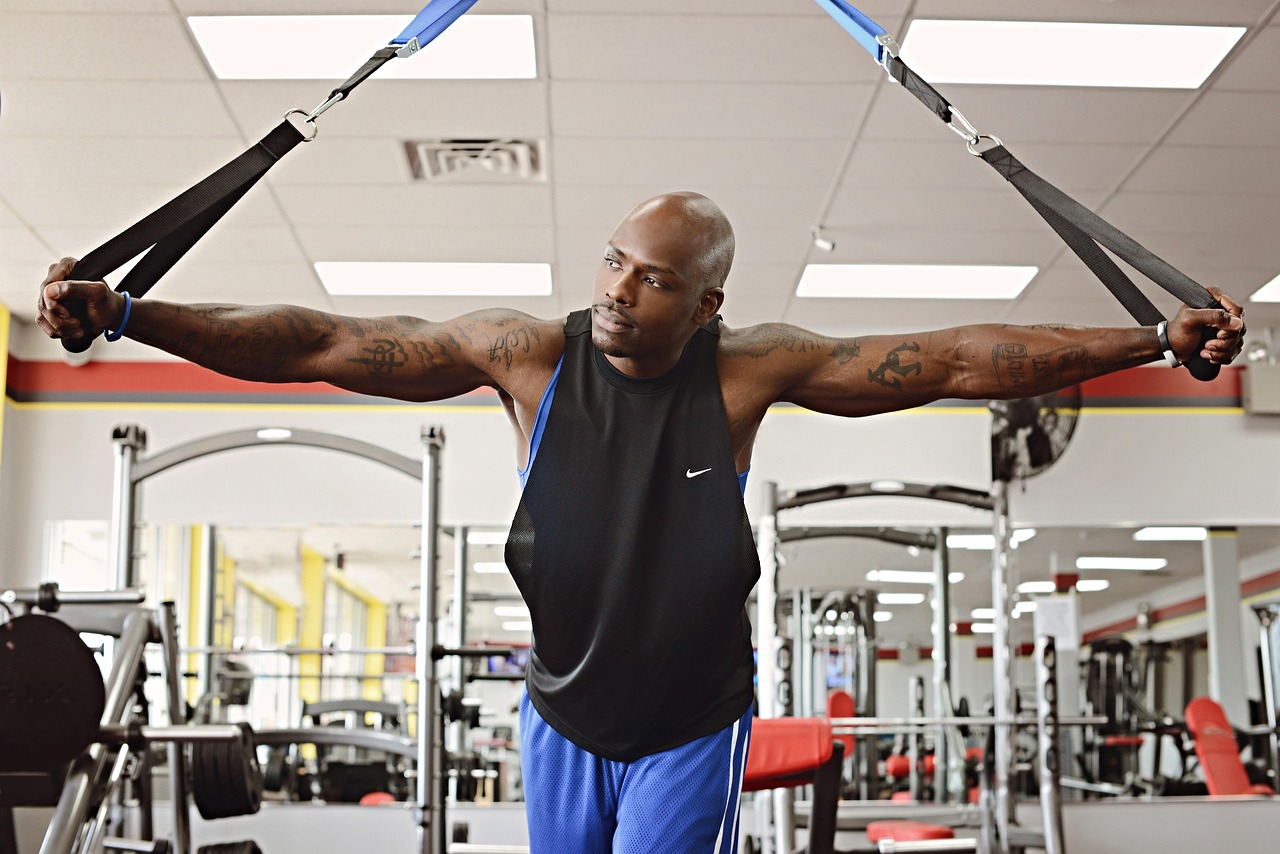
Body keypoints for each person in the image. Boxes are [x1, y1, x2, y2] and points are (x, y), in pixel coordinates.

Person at [37, 191, 1245, 852]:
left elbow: (952, 358)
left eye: (653, 276)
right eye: (613, 260)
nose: (618, 287)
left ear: (704, 299)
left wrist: (1144, 338)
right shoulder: (522, 357)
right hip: (559, 713)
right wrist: (136, 309)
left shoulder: (746, 369)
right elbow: (319, 341)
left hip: (688, 724)